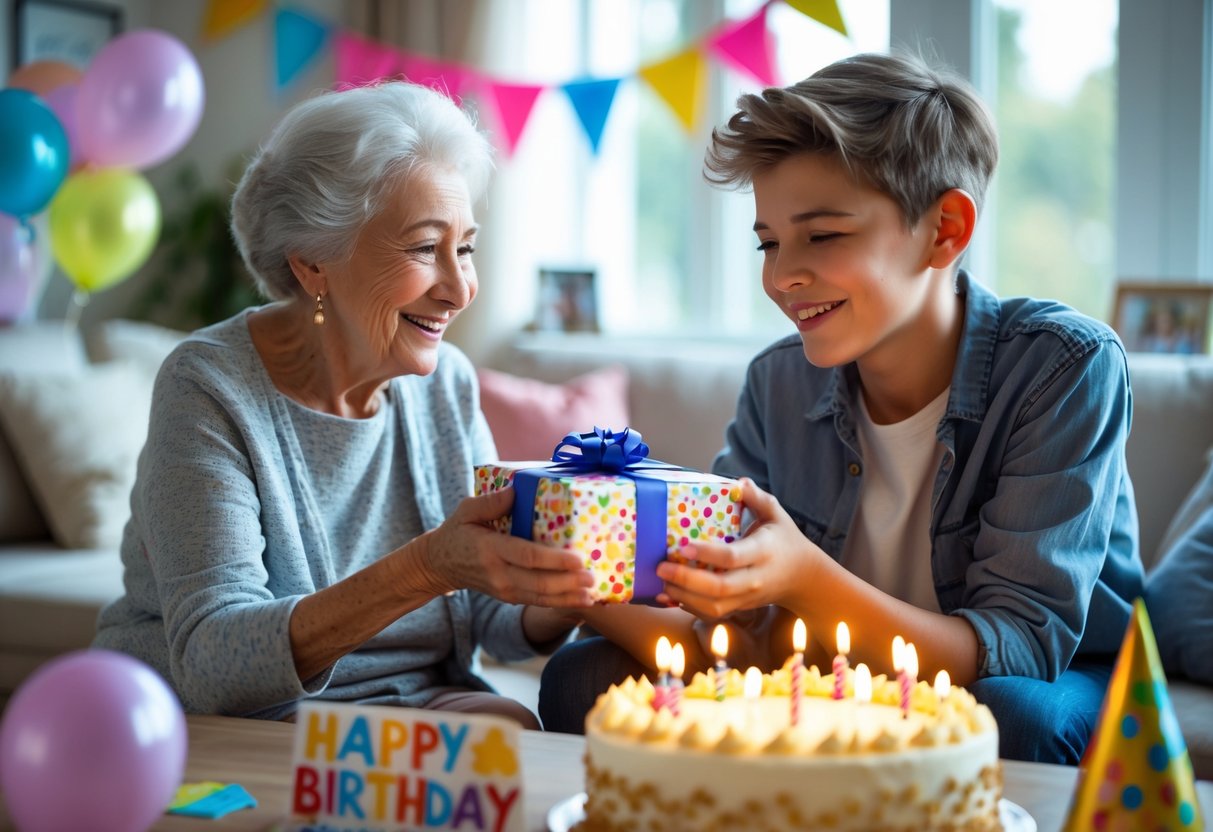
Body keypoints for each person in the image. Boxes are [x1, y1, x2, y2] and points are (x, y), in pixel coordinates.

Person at [539, 51, 1145, 765]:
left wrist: (801, 578)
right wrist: (581, 587)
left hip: (1045, 675)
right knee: (585, 679)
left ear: (944, 229)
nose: (781, 275)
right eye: (768, 242)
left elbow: (1016, 647)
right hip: (838, 671)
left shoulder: (1061, 367)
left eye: (821, 235)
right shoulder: (777, 383)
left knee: (1010, 720)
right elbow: (737, 641)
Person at [93, 81, 594, 726]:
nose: (461, 288)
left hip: (414, 703)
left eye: (464, 248)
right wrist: (427, 566)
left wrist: (571, 584)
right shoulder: (209, 387)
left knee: (519, 735)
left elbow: (489, 620)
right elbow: (214, 662)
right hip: (245, 717)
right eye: (423, 248)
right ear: (313, 264)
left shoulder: (446, 383)